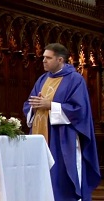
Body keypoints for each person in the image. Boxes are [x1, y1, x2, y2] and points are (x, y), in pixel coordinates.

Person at [23, 43, 100, 200]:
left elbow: (79, 110)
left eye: (48, 58)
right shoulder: (42, 79)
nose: (43, 60)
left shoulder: (75, 80)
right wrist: (34, 107)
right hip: (40, 135)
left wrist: (50, 105)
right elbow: (29, 104)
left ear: (60, 60)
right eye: (43, 57)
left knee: (61, 177)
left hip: (63, 139)